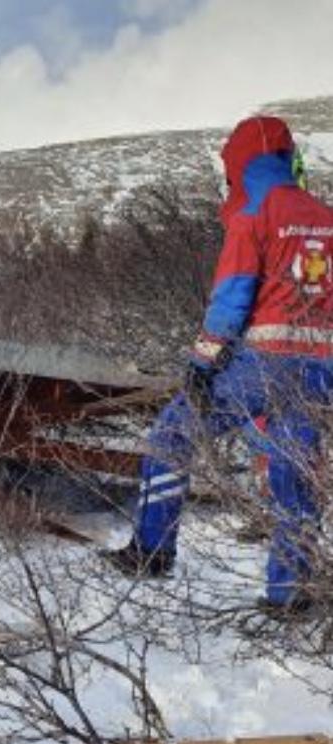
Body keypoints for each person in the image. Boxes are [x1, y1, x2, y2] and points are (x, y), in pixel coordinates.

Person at [104, 115, 333, 611]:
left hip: (263, 363)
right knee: (297, 469)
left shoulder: (255, 211)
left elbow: (232, 298)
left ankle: (153, 552)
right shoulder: (326, 215)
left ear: (240, 161)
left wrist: (203, 361)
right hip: (320, 368)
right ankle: (291, 593)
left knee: (173, 433)